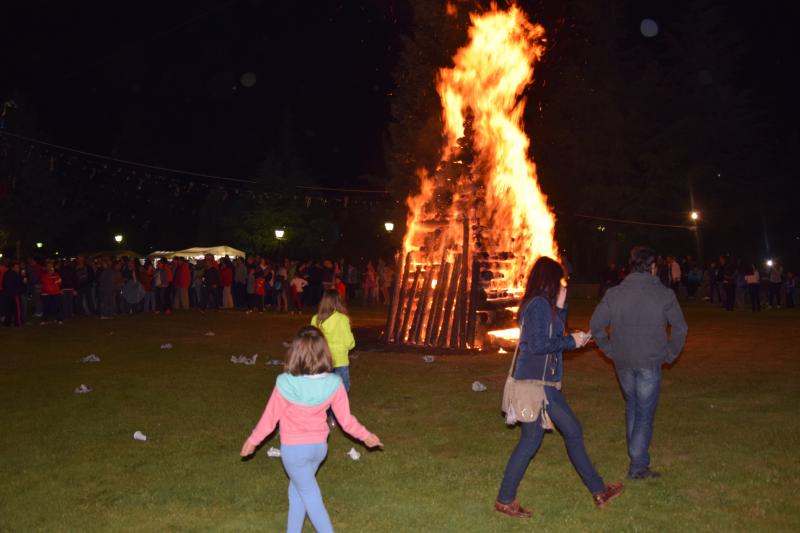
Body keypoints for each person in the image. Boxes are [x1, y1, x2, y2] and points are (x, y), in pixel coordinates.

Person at [496, 257, 623, 518]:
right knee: (564, 433)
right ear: (549, 280)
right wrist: (572, 341)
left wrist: (562, 309)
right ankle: (598, 490)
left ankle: (506, 499)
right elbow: (541, 344)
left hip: (537, 381)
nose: (562, 284)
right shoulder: (539, 305)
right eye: (560, 280)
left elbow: (552, 335)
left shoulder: (540, 305)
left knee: (536, 439)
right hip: (536, 384)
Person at [240, 326, 382, 533]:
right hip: (318, 450)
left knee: (311, 497)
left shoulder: (285, 382)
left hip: (294, 451)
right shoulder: (334, 382)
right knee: (297, 492)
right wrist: (365, 435)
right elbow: (346, 420)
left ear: (295, 353)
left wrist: (253, 441)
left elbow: (269, 418)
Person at [590, 246, 688, 480]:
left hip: (623, 360)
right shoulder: (664, 294)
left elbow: (596, 325)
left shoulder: (614, 293)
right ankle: (638, 464)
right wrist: (670, 353)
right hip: (648, 361)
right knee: (643, 411)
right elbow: (681, 328)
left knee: (633, 404)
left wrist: (609, 349)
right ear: (653, 267)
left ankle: (636, 458)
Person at [311, 290, 355, 395]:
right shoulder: (342, 319)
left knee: (324, 391)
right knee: (341, 392)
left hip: (322, 359)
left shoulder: (315, 319)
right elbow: (349, 342)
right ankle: (336, 411)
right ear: (338, 302)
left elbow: (312, 340)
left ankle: (326, 410)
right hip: (339, 360)